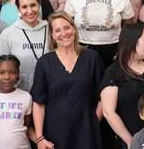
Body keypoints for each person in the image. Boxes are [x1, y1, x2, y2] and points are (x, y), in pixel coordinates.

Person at [30, 11, 104, 149]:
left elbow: (103, 96)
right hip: (55, 133)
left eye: (67, 28)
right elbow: (39, 103)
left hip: (86, 131)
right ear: (52, 35)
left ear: (74, 29)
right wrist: (40, 138)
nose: (63, 33)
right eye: (57, 30)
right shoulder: (44, 63)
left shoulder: (91, 58)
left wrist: (94, 122)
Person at [65, 0, 133, 68]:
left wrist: (122, 50)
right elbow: (67, 25)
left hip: (113, 49)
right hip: (82, 48)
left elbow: (128, 27)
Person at [101, 24, 144, 148]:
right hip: (132, 140)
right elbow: (108, 112)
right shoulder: (114, 72)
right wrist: (131, 142)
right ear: (133, 41)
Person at [0, 0, 49, 92]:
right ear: (18, 9)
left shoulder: (51, 30)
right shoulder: (8, 34)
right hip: (19, 94)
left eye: (33, 5)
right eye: (24, 7)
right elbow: (1, 68)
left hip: (49, 92)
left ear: (39, 5)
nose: (29, 11)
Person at [0, 55, 35, 149]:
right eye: (1, 73)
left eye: (12, 72)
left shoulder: (26, 97)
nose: (7, 77)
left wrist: (40, 141)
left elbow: (28, 126)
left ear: (18, 74)